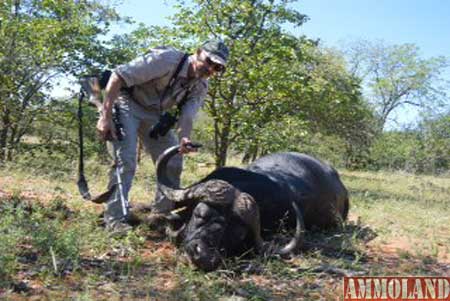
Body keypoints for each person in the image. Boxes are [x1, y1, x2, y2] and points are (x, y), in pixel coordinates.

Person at [96, 40, 229, 230]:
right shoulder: (167, 60)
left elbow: (187, 117)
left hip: (154, 114)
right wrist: (105, 117)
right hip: (127, 104)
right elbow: (118, 76)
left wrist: (185, 139)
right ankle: (115, 219)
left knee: (173, 160)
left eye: (217, 68)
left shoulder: (200, 86)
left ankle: (160, 216)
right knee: (126, 160)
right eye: (209, 61)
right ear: (198, 52)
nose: (209, 68)